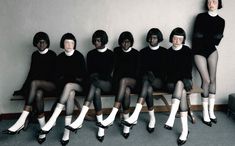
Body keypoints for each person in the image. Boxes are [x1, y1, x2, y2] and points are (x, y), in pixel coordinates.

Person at [2, 32, 56, 144]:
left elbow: (55, 74)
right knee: (38, 94)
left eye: (43, 42)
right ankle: (43, 130)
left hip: (51, 85)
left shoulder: (52, 54)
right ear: (35, 43)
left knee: (35, 83)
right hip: (38, 87)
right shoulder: (35, 55)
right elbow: (31, 73)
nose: (41, 44)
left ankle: (22, 118)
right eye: (39, 42)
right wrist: (23, 88)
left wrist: (41, 81)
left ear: (47, 43)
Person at [65, 30, 114, 142]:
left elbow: (107, 73)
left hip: (107, 84)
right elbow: (90, 72)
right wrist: (95, 75)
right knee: (95, 90)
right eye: (95, 40)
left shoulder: (111, 54)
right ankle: (101, 127)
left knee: (95, 83)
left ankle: (81, 118)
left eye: (98, 40)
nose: (96, 42)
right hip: (94, 83)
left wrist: (97, 75)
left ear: (103, 41)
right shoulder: (91, 54)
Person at [38, 33, 87, 146]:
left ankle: (52, 120)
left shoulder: (79, 56)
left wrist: (69, 77)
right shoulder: (59, 57)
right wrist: (68, 77)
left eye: (71, 43)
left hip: (80, 86)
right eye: (66, 42)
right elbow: (57, 77)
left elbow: (82, 77)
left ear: (74, 44)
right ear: (62, 44)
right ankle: (66, 133)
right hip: (66, 88)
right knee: (70, 93)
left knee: (69, 86)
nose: (69, 45)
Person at [121, 28, 168, 133]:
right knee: (148, 87)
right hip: (146, 82)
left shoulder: (164, 52)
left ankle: (135, 115)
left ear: (159, 39)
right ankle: (152, 118)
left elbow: (165, 71)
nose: (152, 40)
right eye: (150, 37)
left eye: (155, 38)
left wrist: (154, 76)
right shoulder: (143, 52)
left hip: (159, 81)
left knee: (148, 80)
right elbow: (140, 71)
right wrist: (147, 74)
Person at [97, 31, 140, 139]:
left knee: (124, 81)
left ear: (131, 42)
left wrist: (124, 79)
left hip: (134, 82)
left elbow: (136, 73)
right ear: (120, 43)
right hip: (121, 85)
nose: (125, 44)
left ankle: (112, 115)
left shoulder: (136, 53)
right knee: (126, 91)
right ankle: (126, 123)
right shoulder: (116, 51)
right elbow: (114, 70)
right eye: (123, 42)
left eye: (127, 42)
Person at [192, 0, 225, 127]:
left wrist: (206, 36)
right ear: (207, 3)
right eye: (209, 1)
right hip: (198, 50)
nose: (211, 3)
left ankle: (211, 111)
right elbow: (196, 36)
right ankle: (205, 112)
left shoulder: (221, 21)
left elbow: (216, 42)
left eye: (214, 1)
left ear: (218, 4)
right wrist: (210, 36)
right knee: (205, 80)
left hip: (212, 50)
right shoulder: (200, 17)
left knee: (213, 79)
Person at [163, 27, 193, 145]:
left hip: (186, 81)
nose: (177, 41)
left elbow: (187, 71)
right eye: (175, 38)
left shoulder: (187, 51)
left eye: (180, 39)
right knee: (182, 91)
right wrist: (178, 75)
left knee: (181, 84)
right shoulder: (168, 53)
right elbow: (167, 73)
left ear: (183, 40)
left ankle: (172, 118)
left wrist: (178, 76)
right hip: (171, 83)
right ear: (171, 38)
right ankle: (185, 131)